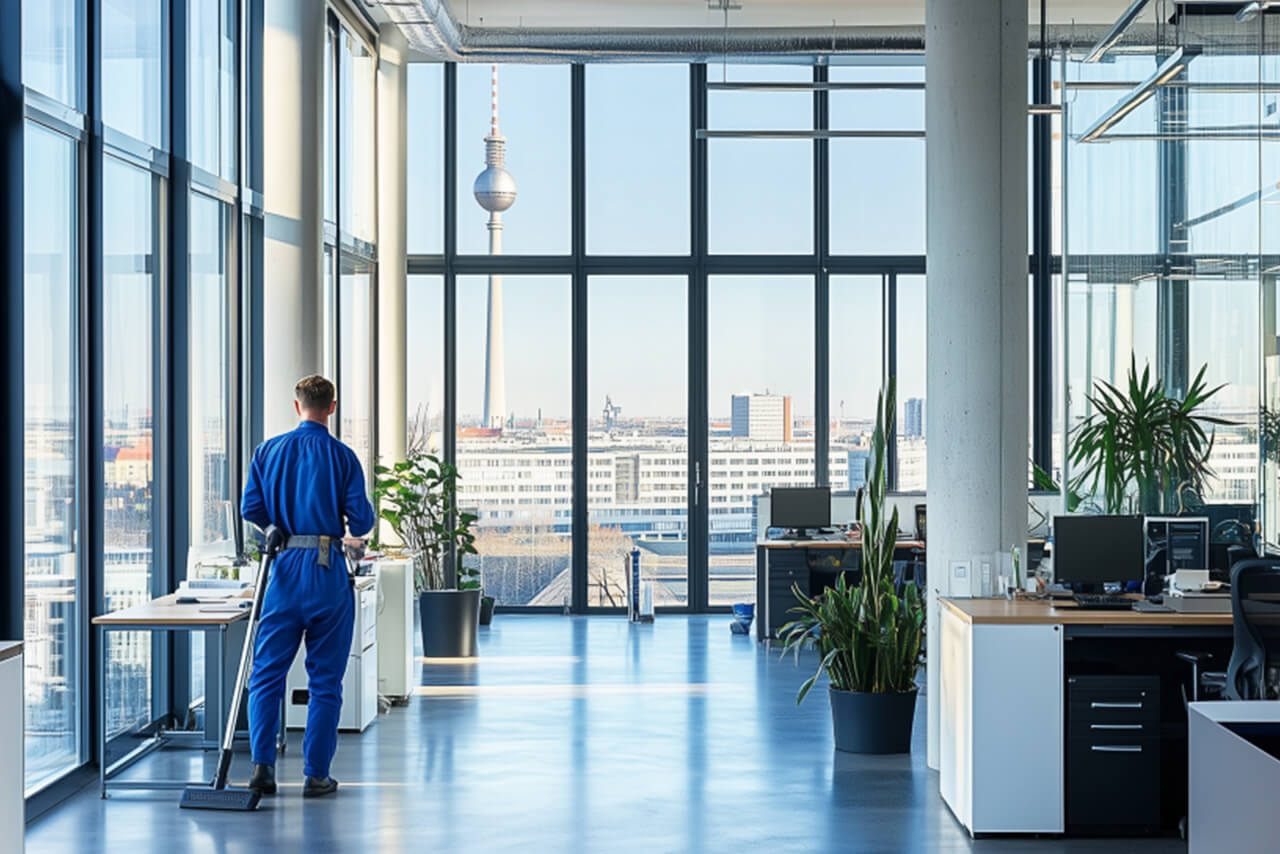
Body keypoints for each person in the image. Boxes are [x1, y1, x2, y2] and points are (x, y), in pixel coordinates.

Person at [239, 375, 375, 798]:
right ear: (331, 407)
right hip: (325, 568)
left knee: (266, 675)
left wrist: (274, 527)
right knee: (325, 679)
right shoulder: (342, 456)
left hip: (282, 570)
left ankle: (262, 768)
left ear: (297, 407)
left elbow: (251, 507)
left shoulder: (267, 451)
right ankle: (316, 774)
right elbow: (363, 522)